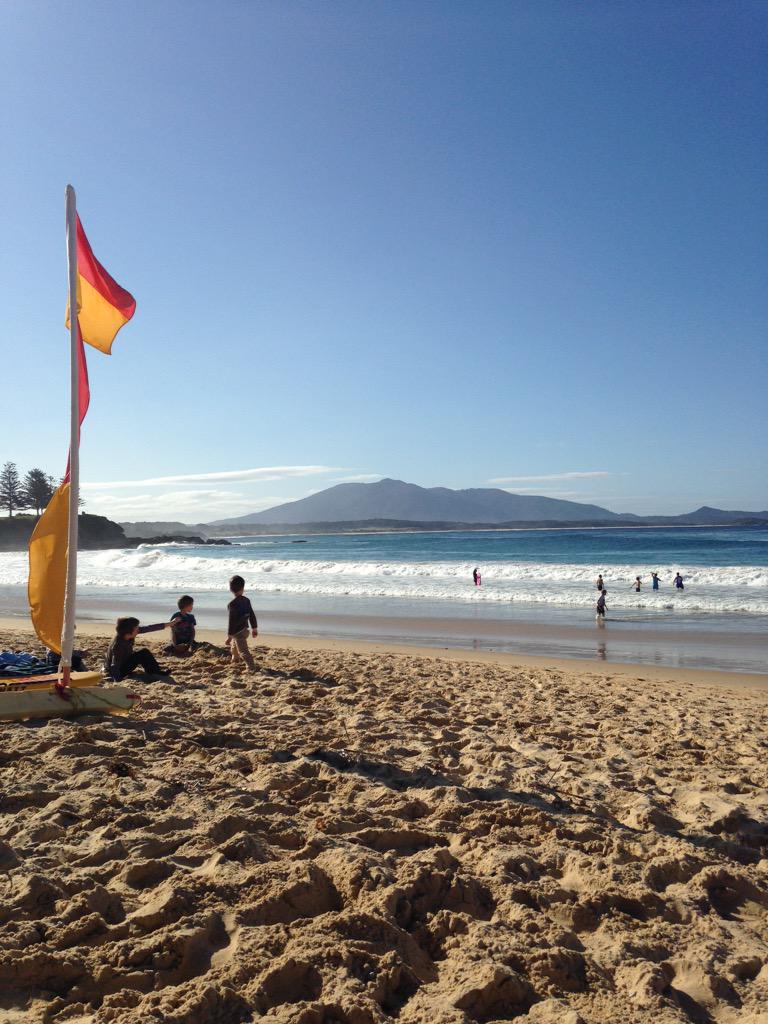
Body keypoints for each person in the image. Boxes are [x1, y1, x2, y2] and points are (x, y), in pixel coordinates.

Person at [105, 617, 170, 681]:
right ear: (129, 631)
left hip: (124, 660)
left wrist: (170, 624)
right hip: (118, 670)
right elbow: (114, 665)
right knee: (141, 654)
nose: (138, 630)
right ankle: (154, 672)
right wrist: (117, 680)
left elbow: (149, 628)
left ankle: (155, 671)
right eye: (137, 628)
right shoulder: (118, 645)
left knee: (144, 652)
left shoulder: (126, 634)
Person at [227, 575, 258, 671]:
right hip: (245, 630)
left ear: (231, 589)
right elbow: (251, 614)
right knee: (234, 646)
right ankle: (235, 658)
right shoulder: (247, 600)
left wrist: (229, 636)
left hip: (237, 632)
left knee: (243, 651)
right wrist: (254, 628)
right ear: (243, 588)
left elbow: (231, 621)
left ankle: (251, 666)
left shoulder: (232, 604)